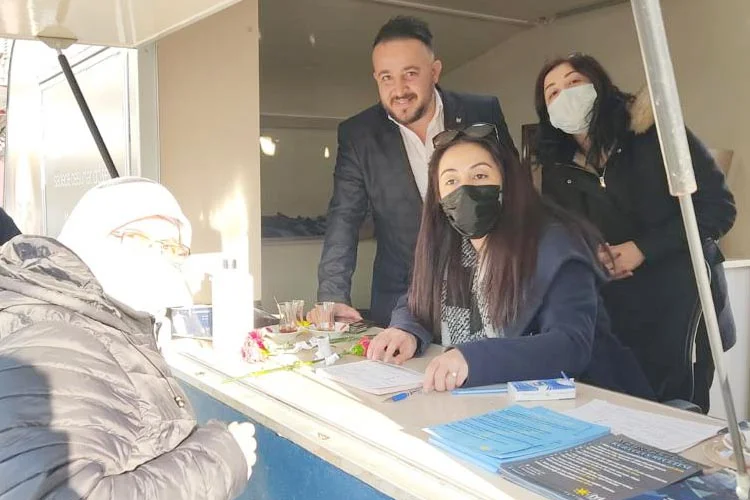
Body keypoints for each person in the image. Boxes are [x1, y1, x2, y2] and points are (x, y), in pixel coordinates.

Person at [0, 177, 256, 499]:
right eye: (138, 239)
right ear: (87, 238)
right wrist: (218, 463)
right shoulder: (52, 342)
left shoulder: (101, 326)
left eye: (171, 248)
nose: (157, 257)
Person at [366, 123, 653, 399]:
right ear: (439, 198)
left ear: (508, 182)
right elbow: (418, 298)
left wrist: (473, 359)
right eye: (451, 181)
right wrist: (406, 329)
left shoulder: (555, 245)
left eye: (480, 176)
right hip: (475, 404)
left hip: (587, 404)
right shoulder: (448, 245)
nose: (465, 190)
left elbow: (570, 345)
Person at [534, 53, 736, 411]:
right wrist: (591, 256)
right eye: (552, 92)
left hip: (682, 301)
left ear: (599, 85)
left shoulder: (654, 135)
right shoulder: (557, 169)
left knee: (680, 410)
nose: (564, 94)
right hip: (617, 310)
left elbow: (718, 208)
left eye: (574, 82)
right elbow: (564, 233)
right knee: (628, 409)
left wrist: (642, 248)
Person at [316, 16, 517, 327]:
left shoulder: (481, 112)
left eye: (410, 74)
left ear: (434, 71)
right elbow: (344, 216)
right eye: (386, 77)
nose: (399, 90)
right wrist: (332, 294)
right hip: (402, 292)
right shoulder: (359, 135)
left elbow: (514, 188)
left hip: (483, 284)